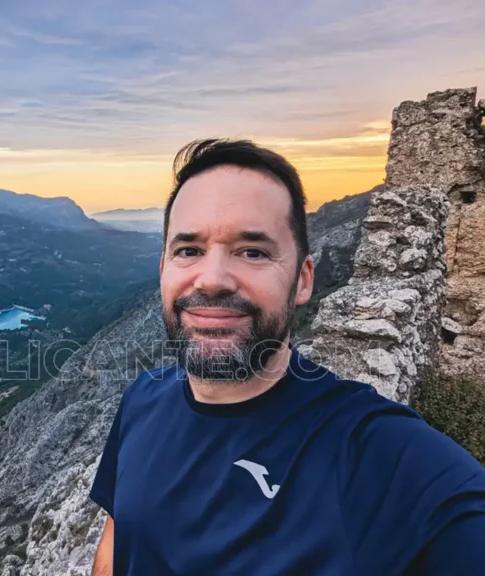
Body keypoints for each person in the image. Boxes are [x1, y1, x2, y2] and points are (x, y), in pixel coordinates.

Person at [88, 139, 485, 575]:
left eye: (253, 252)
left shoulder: (375, 452)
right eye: (189, 250)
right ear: (164, 269)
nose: (214, 279)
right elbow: (118, 540)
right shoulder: (141, 400)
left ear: (302, 280)